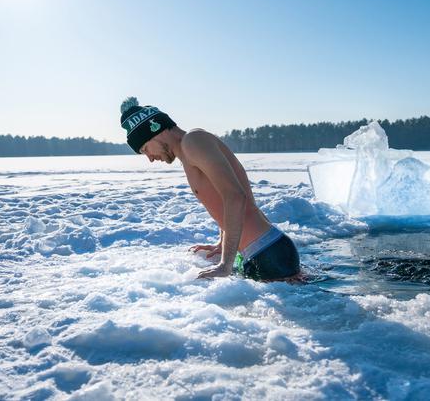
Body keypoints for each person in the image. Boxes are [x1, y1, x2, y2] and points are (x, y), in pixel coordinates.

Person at [119, 97, 300, 280]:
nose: (150, 158)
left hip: (269, 254)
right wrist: (223, 244)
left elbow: (235, 196)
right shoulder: (188, 151)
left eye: (145, 149)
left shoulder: (193, 142)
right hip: (261, 252)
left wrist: (225, 264)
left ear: (154, 130)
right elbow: (223, 200)